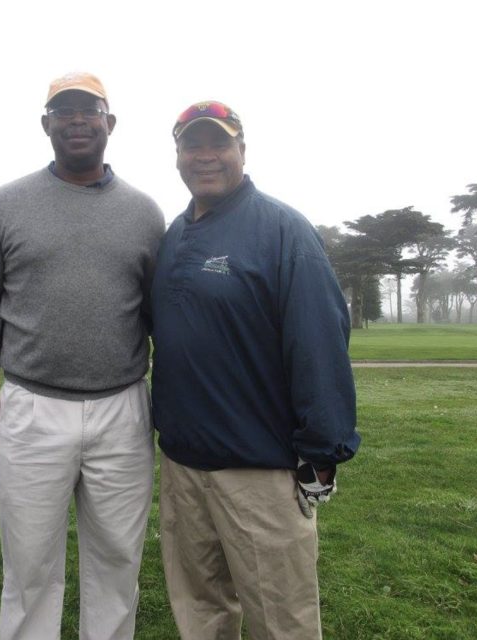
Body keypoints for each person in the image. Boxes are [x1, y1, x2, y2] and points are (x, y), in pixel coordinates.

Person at [0, 72, 165, 640]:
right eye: (64, 110)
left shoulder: (146, 213)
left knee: (118, 564)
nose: (77, 119)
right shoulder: (6, 204)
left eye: (89, 109)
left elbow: (159, 313)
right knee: (29, 568)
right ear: (46, 124)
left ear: (110, 123)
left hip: (123, 409)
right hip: (30, 406)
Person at [150, 101, 361, 640]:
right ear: (177, 156)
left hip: (258, 473)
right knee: (201, 613)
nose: (206, 156)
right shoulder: (174, 236)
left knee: (281, 621)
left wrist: (324, 449)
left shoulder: (282, 230)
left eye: (218, 143)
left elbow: (319, 341)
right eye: (192, 145)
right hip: (182, 466)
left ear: (241, 150)